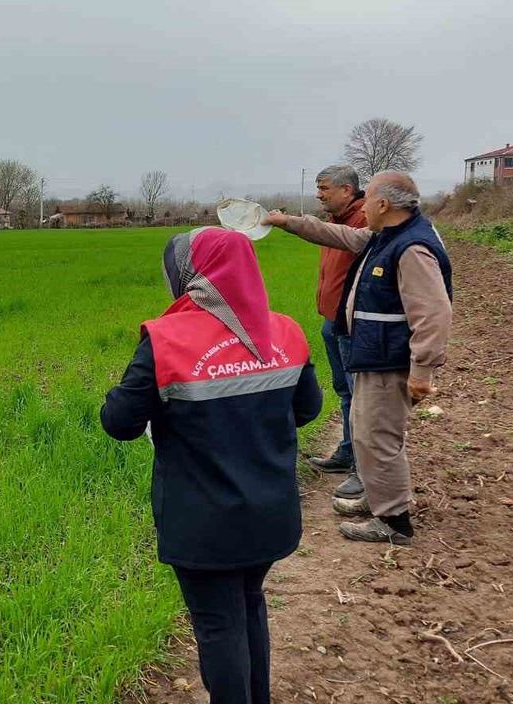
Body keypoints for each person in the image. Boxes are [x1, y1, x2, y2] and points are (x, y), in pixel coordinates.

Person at [101, 227, 322, 703]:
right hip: (272, 512)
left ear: (190, 275)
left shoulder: (166, 339)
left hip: (204, 520)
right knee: (249, 603)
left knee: (218, 623)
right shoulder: (286, 331)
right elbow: (307, 409)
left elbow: (120, 423)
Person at [264, 171, 452, 545]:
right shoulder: (388, 236)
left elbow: (434, 313)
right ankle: (380, 498)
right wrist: (287, 222)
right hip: (376, 354)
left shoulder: (411, 249)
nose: (362, 207)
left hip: (390, 360)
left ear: (383, 204)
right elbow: (340, 236)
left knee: (378, 436)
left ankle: (394, 522)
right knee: (369, 433)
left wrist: (422, 370)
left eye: (368, 201)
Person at [304, 165, 368, 500]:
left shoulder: (364, 221)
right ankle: (347, 452)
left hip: (353, 325)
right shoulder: (335, 220)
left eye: (324, 188)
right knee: (345, 392)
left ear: (346, 190)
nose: (319, 194)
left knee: (361, 399)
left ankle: (363, 468)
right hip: (332, 321)